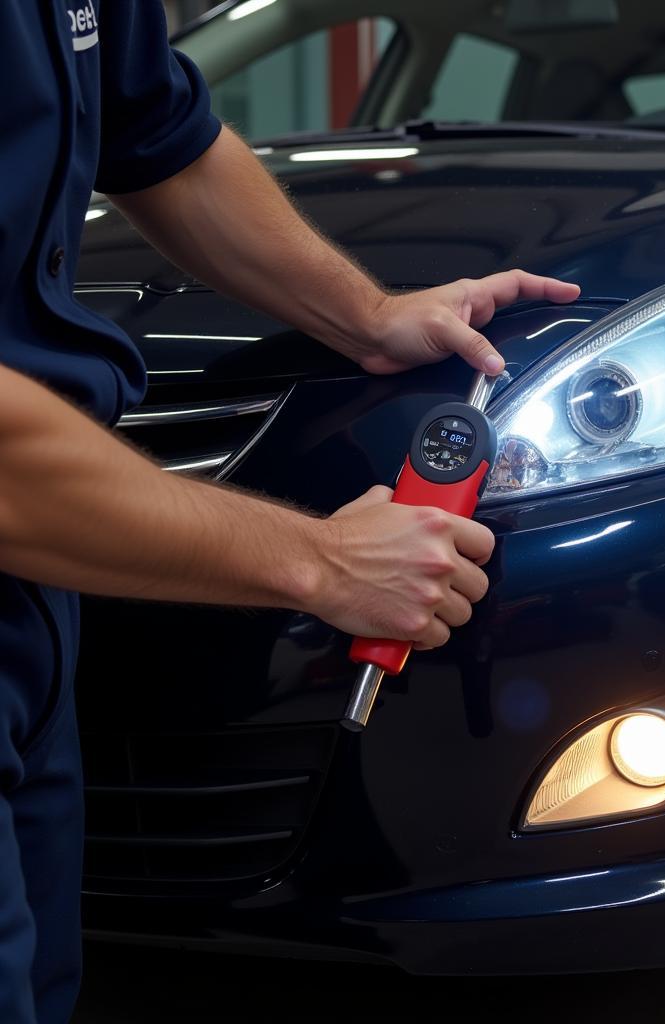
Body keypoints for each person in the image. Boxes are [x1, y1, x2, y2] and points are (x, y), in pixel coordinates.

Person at [0, 4, 580, 1022]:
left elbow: (163, 142)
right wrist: (321, 561)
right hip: (29, 499)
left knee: (41, 978)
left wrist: (368, 315)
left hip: (41, 599)